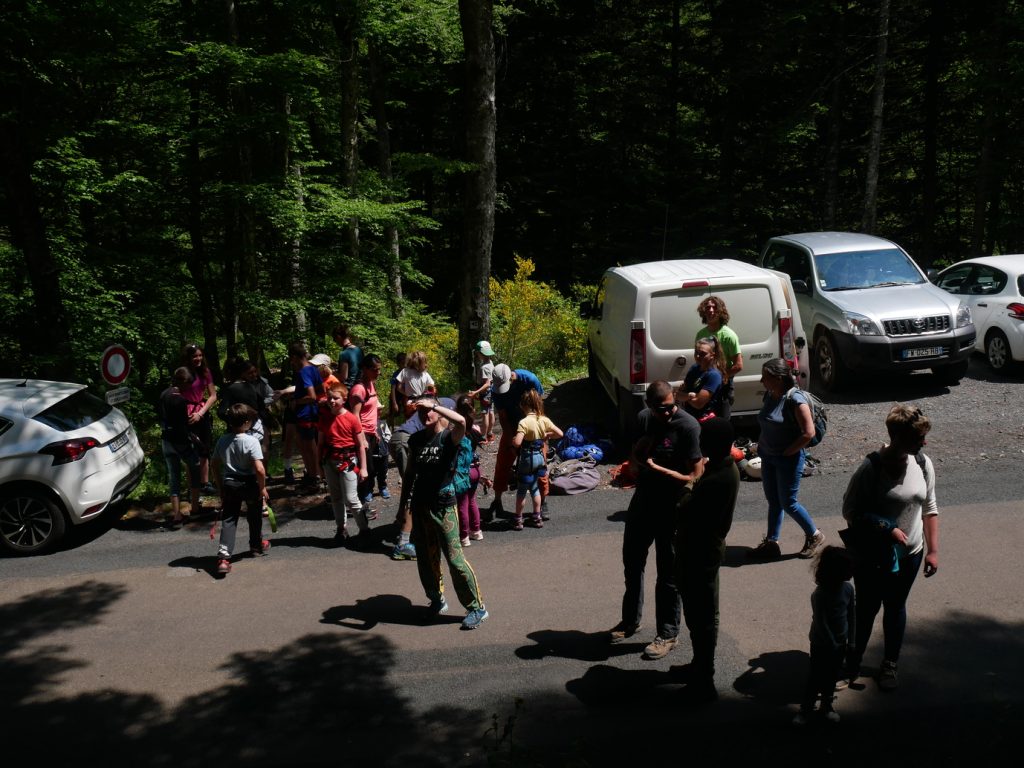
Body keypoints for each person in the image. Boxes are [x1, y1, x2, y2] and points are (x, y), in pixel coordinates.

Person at [841, 404, 940, 692]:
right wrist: (885, 527)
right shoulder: (870, 468)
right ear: (896, 436)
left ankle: (890, 664)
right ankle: (854, 660)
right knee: (868, 608)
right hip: (873, 556)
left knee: (896, 607)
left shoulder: (922, 463)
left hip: (910, 554)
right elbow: (850, 511)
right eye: (918, 437)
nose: (924, 442)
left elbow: (930, 508)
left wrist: (932, 550)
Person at [608, 380, 703, 661]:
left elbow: (696, 475)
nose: (669, 412)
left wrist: (661, 469)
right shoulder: (643, 419)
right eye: (662, 409)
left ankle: (667, 632)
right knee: (632, 561)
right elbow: (633, 462)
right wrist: (642, 449)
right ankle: (630, 621)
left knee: (668, 573)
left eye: (672, 406)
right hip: (643, 502)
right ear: (649, 405)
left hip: (672, 507)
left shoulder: (687, 426)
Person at [398, 395, 489, 630]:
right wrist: (402, 508)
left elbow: (462, 423)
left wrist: (434, 405)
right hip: (420, 505)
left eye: (428, 411)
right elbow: (410, 475)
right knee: (426, 560)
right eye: (421, 411)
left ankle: (477, 608)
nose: (425, 414)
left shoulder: (449, 437)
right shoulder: (416, 440)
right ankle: (437, 600)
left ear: (439, 412)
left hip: (444, 505)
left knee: (455, 559)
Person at [674, 417, 739, 702]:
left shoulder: (717, 478)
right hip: (702, 548)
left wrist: (689, 484)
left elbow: (685, 507)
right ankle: (700, 666)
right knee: (699, 611)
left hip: (700, 551)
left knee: (702, 616)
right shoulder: (724, 467)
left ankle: (705, 677)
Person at [749, 359, 825, 560]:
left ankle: (815, 535)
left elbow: (808, 433)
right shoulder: (770, 394)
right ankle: (772, 542)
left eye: (765, 376)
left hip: (787, 459)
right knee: (774, 501)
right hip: (769, 456)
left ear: (779, 378)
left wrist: (788, 452)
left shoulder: (796, 400)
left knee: (788, 502)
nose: (761, 380)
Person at [793, 546, 856, 724]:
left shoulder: (848, 590)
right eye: (848, 568)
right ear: (837, 571)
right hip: (821, 644)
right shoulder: (820, 595)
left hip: (839, 643)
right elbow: (821, 623)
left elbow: (852, 616)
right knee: (815, 677)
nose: (852, 571)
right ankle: (805, 710)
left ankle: (826, 706)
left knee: (831, 677)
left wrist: (851, 641)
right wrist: (833, 643)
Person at [211, 404, 270, 577]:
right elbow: (259, 469)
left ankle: (223, 557)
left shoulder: (223, 440)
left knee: (229, 519)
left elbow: (214, 463)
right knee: (254, 515)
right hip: (250, 484)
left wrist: (220, 485)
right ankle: (256, 545)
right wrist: (263, 487)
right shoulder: (252, 441)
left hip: (230, 484)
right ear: (246, 422)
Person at [486, 364, 546, 520]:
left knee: (540, 464)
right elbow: (503, 418)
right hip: (512, 426)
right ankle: (497, 501)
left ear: (511, 377)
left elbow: (539, 406)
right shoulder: (496, 389)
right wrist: (512, 442)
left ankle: (543, 503)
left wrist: (539, 428)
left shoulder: (529, 379)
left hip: (532, 424)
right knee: (502, 463)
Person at [317, 383, 368, 545]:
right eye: (330, 398)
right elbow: (320, 444)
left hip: (347, 461)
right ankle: (341, 528)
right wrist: (319, 466)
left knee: (351, 498)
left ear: (344, 399)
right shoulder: (324, 418)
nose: (332, 401)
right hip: (329, 461)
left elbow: (360, 445)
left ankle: (364, 528)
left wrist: (364, 468)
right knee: (336, 498)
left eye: (336, 398)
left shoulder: (352, 419)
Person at [512, 389, 563, 530]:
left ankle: (518, 520)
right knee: (534, 488)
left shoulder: (524, 422)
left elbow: (517, 442)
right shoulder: (543, 419)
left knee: (522, 490)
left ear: (523, 406)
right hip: (540, 458)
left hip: (527, 458)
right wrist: (546, 435)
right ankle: (537, 517)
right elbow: (560, 433)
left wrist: (514, 441)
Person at [158, 367, 202, 525]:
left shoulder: (164, 394)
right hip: (179, 441)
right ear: (183, 382)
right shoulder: (180, 399)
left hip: (166, 440)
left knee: (174, 476)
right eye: (189, 383)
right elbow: (182, 425)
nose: (190, 387)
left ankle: (176, 514)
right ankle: (195, 508)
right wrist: (191, 431)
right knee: (195, 466)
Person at [281, 342, 324, 488]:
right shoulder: (313, 369)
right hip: (313, 412)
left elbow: (312, 396)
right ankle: (315, 475)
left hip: (306, 414)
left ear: (295, 357)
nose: (291, 362)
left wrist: (296, 401)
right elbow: (320, 390)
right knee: (309, 445)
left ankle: (314, 477)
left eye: (291, 359)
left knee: (308, 447)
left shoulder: (303, 372)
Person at [694, 296, 743, 420]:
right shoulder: (700, 334)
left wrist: (721, 377)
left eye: (714, 307)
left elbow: (738, 365)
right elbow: (697, 359)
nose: (711, 310)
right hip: (705, 382)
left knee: (722, 420)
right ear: (703, 311)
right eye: (708, 307)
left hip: (723, 385)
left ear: (721, 311)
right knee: (704, 418)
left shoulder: (729, 335)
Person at [180, 343, 218, 493]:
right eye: (195, 356)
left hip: (202, 413)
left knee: (205, 449)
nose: (198, 358)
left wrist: (201, 413)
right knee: (191, 453)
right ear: (188, 358)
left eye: (200, 355)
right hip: (187, 415)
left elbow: (213, 395)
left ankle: (205, 482)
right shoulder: (183, 373)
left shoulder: (205, 372)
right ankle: (193, 487)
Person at [219, 357, 276, 457]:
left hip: (238, 433)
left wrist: (234, 421)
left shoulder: (230, 390)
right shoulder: (251, 387)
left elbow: (221, 412)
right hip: (257, 429)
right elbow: (261, 407)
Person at [349, 355, 382, 511]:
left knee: (373, 469)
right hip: (362, 435)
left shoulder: (371, 384)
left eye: (379, 369)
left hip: (371, 433)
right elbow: (355, 417)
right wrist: (362, 439)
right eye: (375, 370)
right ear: (365, 369)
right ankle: (360, 505)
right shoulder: (359, 389)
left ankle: (362, 502)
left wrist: (375, 431)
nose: (378, 372)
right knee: (364, 471)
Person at [455, 394, 484, 546]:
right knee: (472, 500)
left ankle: (464, 536)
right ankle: (477, 531)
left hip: (463, 471)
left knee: (462, 503)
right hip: (476, 469)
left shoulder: (458, 429)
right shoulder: (476, 428)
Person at [680, 336, 727, 422]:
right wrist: (690, 396)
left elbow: (698, 404)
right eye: (696, 352)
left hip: (704, 420)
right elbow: (679, 393)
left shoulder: (714, 375)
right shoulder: (694, 368)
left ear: (713, 355)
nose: (697, 356)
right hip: (689, 417)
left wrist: (685, 396)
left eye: (702, 354)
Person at [469, 340, 496, 443]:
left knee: (485, 413)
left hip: (486, 393)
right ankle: (490, 434)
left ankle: (483, 436)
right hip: (492, 391)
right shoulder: (490, 362)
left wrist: (476, 392)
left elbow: (487, 383)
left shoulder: (484, 367)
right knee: (491, 411)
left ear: (480, 353)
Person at [387, 352, 408, 428]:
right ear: (398, 364)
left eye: (406, 363)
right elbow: (393, 388)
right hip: (395, 397)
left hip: (404, 397)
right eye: (403, 364)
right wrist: (394, 403)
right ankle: (390, 428)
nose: (405, 366)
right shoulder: (396, 374)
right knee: (393, 413)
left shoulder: (407, 373)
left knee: (405, 413)